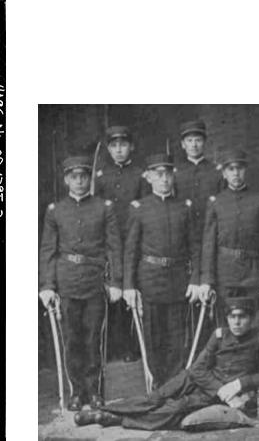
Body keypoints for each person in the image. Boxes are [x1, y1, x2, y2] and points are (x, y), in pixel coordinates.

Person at [75, 297, 259, 430]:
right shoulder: (219, 335)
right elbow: (198, 368)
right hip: (197, 378)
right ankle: (104, 411)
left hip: (215, 393)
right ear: (227, 318)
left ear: (251, 319)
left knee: (177, 408)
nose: (237, 322)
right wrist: (222, 388)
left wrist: (239, 384)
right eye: (232, 317)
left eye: (242, 317)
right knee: (157, 397)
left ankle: (115, 419)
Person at [39, 156, 123, 411]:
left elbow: (114, 247)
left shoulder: (104, 207)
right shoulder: (56, 211)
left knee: (92, 340)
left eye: (83, 176)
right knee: (71, 341)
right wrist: (47, 285)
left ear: (89, 178)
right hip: (66, 285)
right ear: (66, 180)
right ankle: (77, 392)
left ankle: (94, 392)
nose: (79, 181)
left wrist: (116, 281)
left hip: (94, 284)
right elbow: (47, 251)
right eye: (74, 176)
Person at [123, 153, 205, 390]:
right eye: (158, 174)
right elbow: (130, 251)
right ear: (149, 177)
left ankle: (175, 384)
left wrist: (196, 279)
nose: (164, 179)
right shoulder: (139, 208)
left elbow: (195, 248)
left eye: (168, 174)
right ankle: (158, 384)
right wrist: (129, 285)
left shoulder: (184, 207)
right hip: (150, 280)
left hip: (178, 280)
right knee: (154, 337)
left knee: (177, 336)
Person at [198, 149, 259, 329]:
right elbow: (209, 245)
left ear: (245, 171)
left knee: (253, 322)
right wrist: (207, 280)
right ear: (224, 173)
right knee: (226, 322)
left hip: (253, 272)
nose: (235, 173)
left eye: (239, 168)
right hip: (225, 272)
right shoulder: (216, 202)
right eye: (231, 169)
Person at [94, 125, 149, 363]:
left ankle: (131, 347)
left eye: (123, 145)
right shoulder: (101, 177)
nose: (118, 150)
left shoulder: (140, 175)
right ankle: (111, 347)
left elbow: (147, 209)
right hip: (109, 245)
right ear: (108, 148)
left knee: (133, 292)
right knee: (111, 295)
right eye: (114, 145)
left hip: (134, 242)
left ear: (131, 147)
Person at [174, 120, 223, 228]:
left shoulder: (216, 171)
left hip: (210, 227)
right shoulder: (176, 172)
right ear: (183, 144)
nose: (194, 145)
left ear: (204, 142)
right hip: (184, 229)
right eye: (189, 140)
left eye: (198, 140)